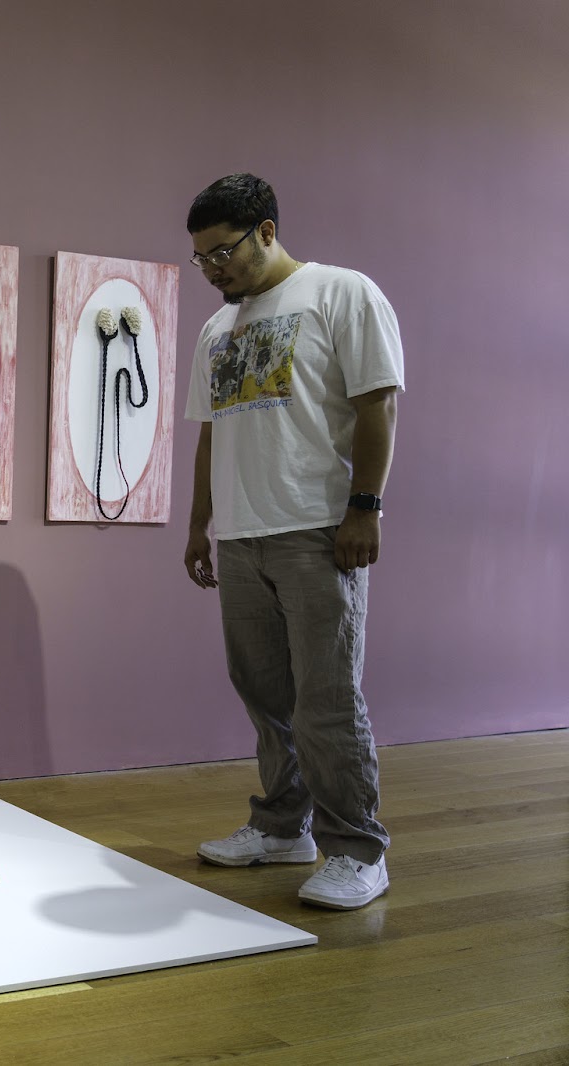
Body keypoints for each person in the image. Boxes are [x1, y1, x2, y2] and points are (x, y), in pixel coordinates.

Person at [181, 173, 404, 910]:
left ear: (267, 231)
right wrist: (198, 525)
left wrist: (364, 507)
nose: (214, 268)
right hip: (243, 536)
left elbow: (379, 403)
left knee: (327, 700)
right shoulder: (219, 329)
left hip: (316, 530)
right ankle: (283, 827)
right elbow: (211, 437)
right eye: (202, 258)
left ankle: (358, 848)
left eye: (224, 252)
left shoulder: (343, 294)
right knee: (267, 696)